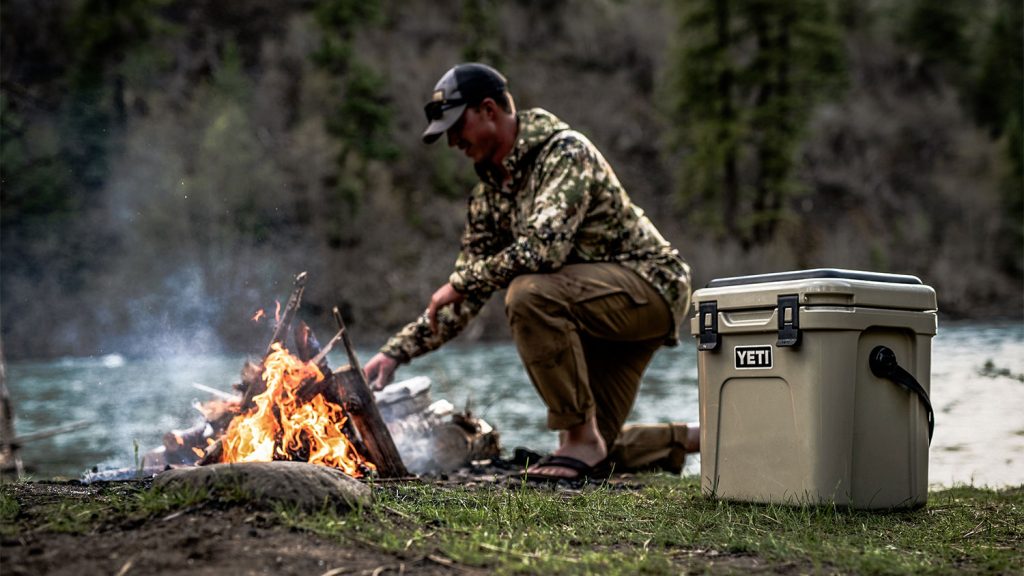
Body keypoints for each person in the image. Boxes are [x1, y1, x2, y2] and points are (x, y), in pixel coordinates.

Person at [363, 62, 698, 480]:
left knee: (528, 294)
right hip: (595, 308)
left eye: (456, 126)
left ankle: (579, 437)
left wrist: (460, 282)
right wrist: (397, 351)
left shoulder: (564, 152)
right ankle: (695, 437)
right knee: (595, 453)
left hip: (651, 288)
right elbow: (462, 298)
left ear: (488, 110)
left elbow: (543, 250)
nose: (452, 142)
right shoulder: (489, 195)